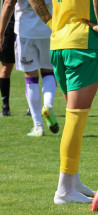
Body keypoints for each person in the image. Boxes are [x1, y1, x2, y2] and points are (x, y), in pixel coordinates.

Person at [28, 0, 98, 204]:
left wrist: (51, 22)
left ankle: (72, 180)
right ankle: (64, 190)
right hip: (82, 43)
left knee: (73, 118)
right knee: (76, 119)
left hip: (58, 43)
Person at [0, 0, 58, 136]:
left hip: (25, 33)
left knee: (31, 78)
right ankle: (48, 105)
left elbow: (8, 4)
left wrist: (1, 33)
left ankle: (38, 127)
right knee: (49, 73)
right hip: (48, 30)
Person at [0, 1, 14, 117]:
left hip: (26, 23)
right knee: (5, 67)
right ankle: (5, 106)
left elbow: (9, 3)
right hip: (8, 25)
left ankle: (32, 107)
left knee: (32, 68)